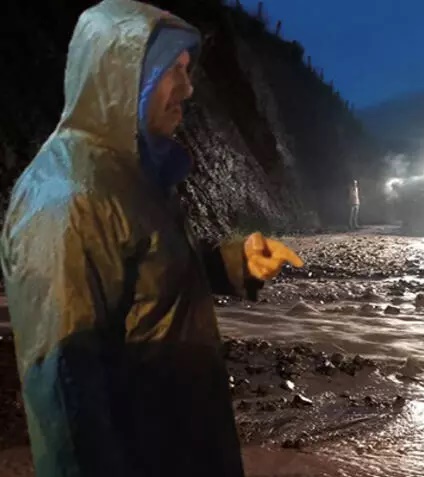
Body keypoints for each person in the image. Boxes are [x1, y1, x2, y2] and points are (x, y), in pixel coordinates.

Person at [0, 1, 305, 475]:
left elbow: (149, 275)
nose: (187, 87)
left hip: (176, 447)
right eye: (172, 70)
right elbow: (62, 384)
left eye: (188, 70)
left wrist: (232, 262)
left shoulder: (128, 175)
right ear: (119, 77)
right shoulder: (69, 195)